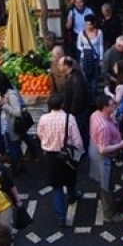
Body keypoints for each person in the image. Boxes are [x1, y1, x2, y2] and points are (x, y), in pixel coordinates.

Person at [37, 92, 84, 227]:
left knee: (56, 186)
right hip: (67, 153)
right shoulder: (69, 118)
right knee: (70, 178)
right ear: (62, 104)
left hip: (51, 156)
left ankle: (61, 217)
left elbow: (40, 134)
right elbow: (77, 140)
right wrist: (80, 153)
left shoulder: (43, 119)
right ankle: (73, 195)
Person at [89, 94, 123, 223]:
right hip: (103, 158)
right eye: (112, 105)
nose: (115, 106)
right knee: (105, 184)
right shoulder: (103, 127)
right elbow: (103, 149)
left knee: (106, 182)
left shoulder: (96, 114)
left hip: (96, 153)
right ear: (105, 107)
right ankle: (109, 214)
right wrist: (121, 144)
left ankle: (110, 201)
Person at [0, 72, 25, 169]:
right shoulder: (1, 94)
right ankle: (20, 166)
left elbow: (17, 112)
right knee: (13, 147)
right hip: (5, 126)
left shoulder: (11, 94)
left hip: (12, 126)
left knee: (14, 148)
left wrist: (6, 106)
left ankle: (16, 167)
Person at [60, 55, 91, 152]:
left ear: (66, 66)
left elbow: (77, 99)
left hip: (78, 113)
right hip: (76, 112)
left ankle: (81, 152)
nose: (58, 67)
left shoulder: (75, 79)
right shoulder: (73, 76)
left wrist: (71, 113)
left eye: (60, 65)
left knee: (80, 133)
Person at [77, 14, 104, 97]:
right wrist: (84, 50)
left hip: (95, 57)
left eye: (90, 24)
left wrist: (101, 58)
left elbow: (100, 45)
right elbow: (78, 45)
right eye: (86, 24)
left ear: (94, 24)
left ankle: (94, 95)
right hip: (84, 57)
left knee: (95, 78)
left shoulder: (99, 32)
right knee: (85, 77)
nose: (88, 26)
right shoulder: (82, 33)